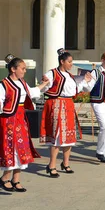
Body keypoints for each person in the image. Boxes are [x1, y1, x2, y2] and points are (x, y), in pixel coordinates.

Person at [0, 55, 49, 192]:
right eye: (22, 68)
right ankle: (5, 178)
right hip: (8, 120)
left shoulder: (22, 83)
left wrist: (44, 84)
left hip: (20, 118)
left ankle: (16, 180)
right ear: (13, 69)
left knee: (22, 148)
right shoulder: (3, 84)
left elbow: (32, 92)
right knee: (10, 148)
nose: (24, 71)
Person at [41, 49, 93, 177]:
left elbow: (74, 90)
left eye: (71, 62)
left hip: (68, 105)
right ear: (62, 61)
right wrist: (45, 82)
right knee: (57, 136)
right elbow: (46, 87)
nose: (71, 64)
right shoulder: (52, 73)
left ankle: (65, 163)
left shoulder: (69, 76)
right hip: (57, 105)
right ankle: (51, 165)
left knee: (69, 136)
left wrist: (85, 80)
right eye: (69, 62)